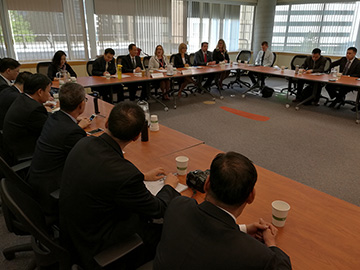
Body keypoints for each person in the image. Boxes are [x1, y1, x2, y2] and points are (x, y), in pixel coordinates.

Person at [60, 102, 181, 270]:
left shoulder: (84, 143)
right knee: (169, 228)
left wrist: (142, 176)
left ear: (107, 123)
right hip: (98, 246)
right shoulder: (125, 175)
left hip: (73, 231)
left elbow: (105, 174)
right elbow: (158, 208)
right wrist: (169, 186)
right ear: (136, 136)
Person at [154, 152, 292, 270]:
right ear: (251, 196)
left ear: (207, 184)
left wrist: (243, 229)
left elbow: (206, 232)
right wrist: (271, 244)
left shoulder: (178, 205)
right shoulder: (256, 255)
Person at [28, 82, 91, 215]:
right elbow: (88, 161)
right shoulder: (72, 132)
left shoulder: (55, 117)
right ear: (81, 105)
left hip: (38, 181)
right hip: (53, 191)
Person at [3, 73, 52, 165]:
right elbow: (51, 131)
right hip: (26, 153)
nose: (49, 95)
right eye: (48, 91)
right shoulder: (34, 109)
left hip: (13, 149)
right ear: (40, 92)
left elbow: (44, 120)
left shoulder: (23, 99)